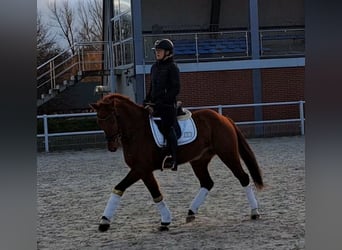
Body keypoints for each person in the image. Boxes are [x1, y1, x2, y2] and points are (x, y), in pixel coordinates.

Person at [144, 38, 180, 171]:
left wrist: (162, 101)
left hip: (167, 106)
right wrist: (146, 100)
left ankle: (173, 158)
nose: (157, 53)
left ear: (168, 52)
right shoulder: (154, 67)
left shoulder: (173, 67)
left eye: (159, 51)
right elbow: (152, 87)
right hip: (154, 105)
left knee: (167, 128)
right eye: (156, 51)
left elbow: (175, 89)